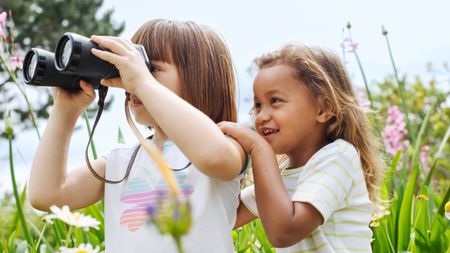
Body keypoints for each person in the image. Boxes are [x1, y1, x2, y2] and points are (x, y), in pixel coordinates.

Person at [28, 19, 246, 253]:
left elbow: (215, 158)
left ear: (201, 76)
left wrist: (142, 81)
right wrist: (65, 110)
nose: (131, 78)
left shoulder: (228, 143)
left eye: (150, 68)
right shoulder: (121, 163)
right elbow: (46, 195)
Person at [219, 43, 385, 252]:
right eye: (258, 105)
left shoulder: (338, 157)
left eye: (275, 100)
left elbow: (284, 232)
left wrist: (259, 150)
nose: (261, 116)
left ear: (324, 109)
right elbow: (223, 216)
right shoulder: (283, 177)